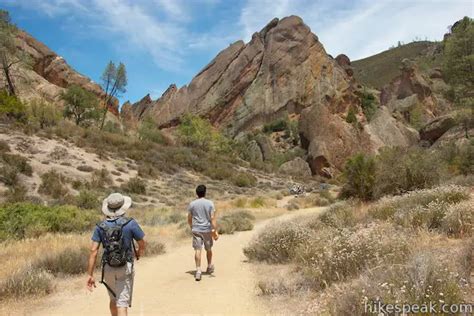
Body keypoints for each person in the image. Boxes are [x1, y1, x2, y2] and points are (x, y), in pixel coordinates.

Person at [86, 193, 146, 316]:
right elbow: (142, 243)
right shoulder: (130, 223)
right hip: (125, 267)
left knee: (113, 299)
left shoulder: (100, 227)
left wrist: (90, 275)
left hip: (107, 267)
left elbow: (93, 251)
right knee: (122, 303)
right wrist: (139, 253)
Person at [187, 184, 218, 281]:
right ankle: (209, 266)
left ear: (197, 193)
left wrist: (192, 226)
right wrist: (215, 230)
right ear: (205, 192)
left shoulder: (192, 204)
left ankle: (198, 270)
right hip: (207, 230)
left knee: (197, 249)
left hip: (196, 229)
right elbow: (212, 218)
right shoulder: (210, 203)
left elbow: (189, 218)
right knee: (208, 249)